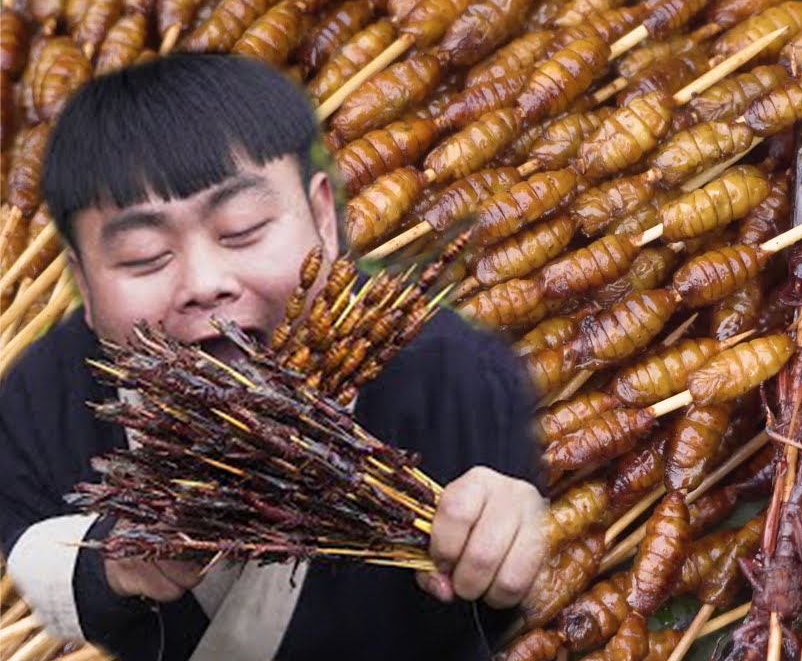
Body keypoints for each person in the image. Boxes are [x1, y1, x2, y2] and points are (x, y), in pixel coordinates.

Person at [0, 54, 547, 661]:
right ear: (82, 284)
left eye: (243, 228)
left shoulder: (460, 381)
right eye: (144, 254)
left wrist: (520, 525)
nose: (204, 282)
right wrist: (110, 567)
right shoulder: (35, 400)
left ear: (323, 218)